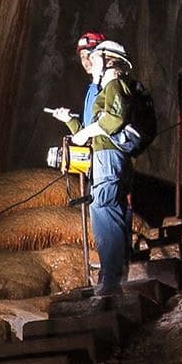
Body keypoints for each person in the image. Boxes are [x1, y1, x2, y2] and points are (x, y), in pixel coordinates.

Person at [67, 40, 136, 297]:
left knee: (104, 207)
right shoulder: (106, 85)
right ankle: (111, 274)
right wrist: (77, 125)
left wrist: (89, 130)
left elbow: (114, 118)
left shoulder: (115, 84)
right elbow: (96, 126)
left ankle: (112, 279)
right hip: (103, 154)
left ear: (109, 59)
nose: (90, 61)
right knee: (105, 209)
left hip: (109, 155)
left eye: (95, 56)